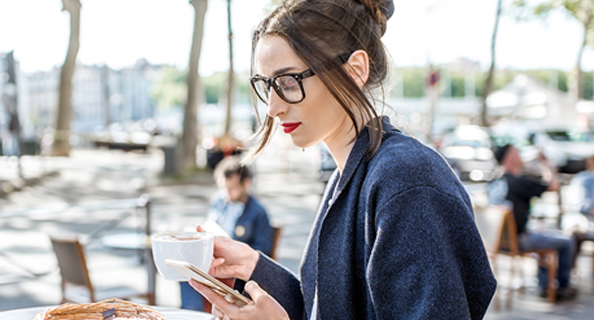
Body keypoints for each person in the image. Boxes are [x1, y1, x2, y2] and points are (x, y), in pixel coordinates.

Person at [187, 1, 496, 319]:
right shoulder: (349, 175)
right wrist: (252, 266)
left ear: (355, 71)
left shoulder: (407, 180)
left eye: (289, 82)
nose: (273, 107)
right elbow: (328, 310)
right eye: (267, 86)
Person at [180, 156, 274, 311]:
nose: (227, 193)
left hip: (234, 272)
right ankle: (192, 313)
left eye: (232, 188)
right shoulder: (220, 201)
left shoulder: (258, 213)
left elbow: (263, 253)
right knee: (186, 268)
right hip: (214, 260)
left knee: (193, 274)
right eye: (223, 188)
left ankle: (193, 312)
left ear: (246, 184)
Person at [492, 144, 576, 300]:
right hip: (518, 240)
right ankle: (560, 287)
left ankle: (545, 284)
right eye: (518, 153)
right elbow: (554, 186)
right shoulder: (517, 182)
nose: (522, 156)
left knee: (542, 236)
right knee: (567, 240)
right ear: (510, 157)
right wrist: (546, 163)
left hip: (496, 243)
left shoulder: (495, 181)